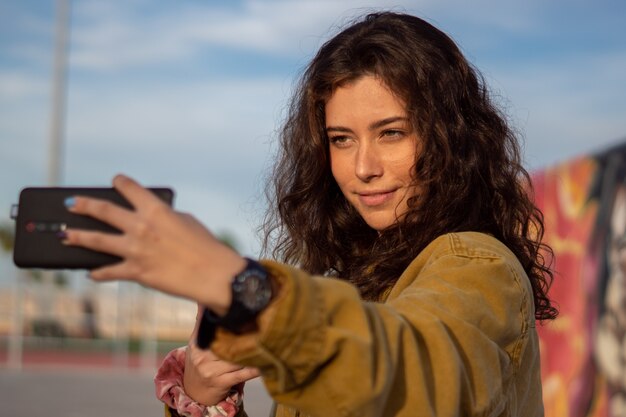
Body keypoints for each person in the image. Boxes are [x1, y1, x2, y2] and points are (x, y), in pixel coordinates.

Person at [60, 11, 557, 417]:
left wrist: (238, 284)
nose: (362, 167)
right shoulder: (364, 278)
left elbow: (412, 375)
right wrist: (204, 394)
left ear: (452, 140)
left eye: (392, 133)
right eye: (342, 139)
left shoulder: (474, 263)